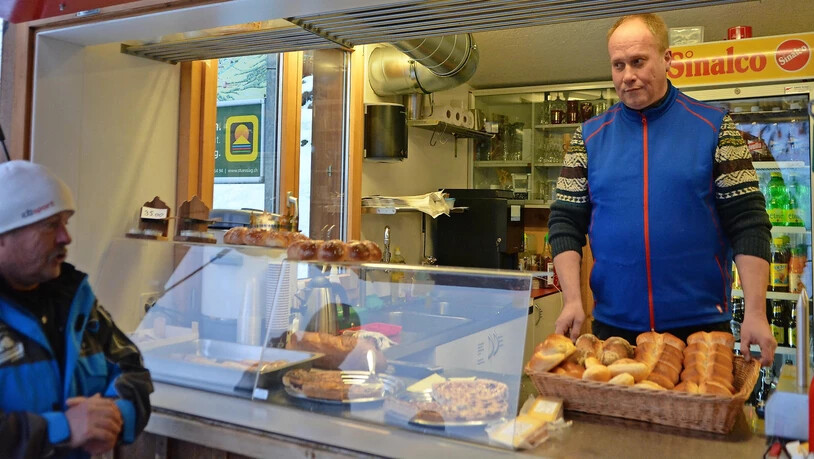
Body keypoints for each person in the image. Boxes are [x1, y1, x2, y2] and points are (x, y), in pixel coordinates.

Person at [549, 13, 776, 365]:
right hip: (614, 329)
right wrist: (572, 301)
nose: (628, 75)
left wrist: (757, 313)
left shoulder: (716, 128)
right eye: (618, 65)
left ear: (667, 59)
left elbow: (748, 223)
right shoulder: (587, 138)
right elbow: (565, 222)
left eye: (638, 61)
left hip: (701, 328)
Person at [0, 160, 153, 458]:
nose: (65, 238)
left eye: (65, 223)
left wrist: (114, 417)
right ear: (4, 236)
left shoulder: (77, 306)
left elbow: (132, 371)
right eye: (50, 225)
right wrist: (62, 428)